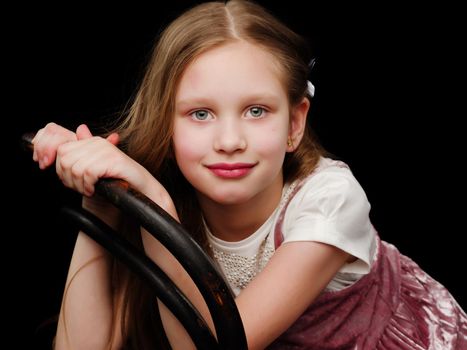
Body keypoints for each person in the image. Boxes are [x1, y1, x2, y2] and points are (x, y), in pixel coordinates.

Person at [30, 0, 467, 349]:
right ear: (168, 124)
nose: (229, 140)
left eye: (256, 111)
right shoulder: (171, 185)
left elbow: (216, 344)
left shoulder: (331, 199)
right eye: (200, 114)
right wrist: (100, 196)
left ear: (295, 124)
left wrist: (154, 206)